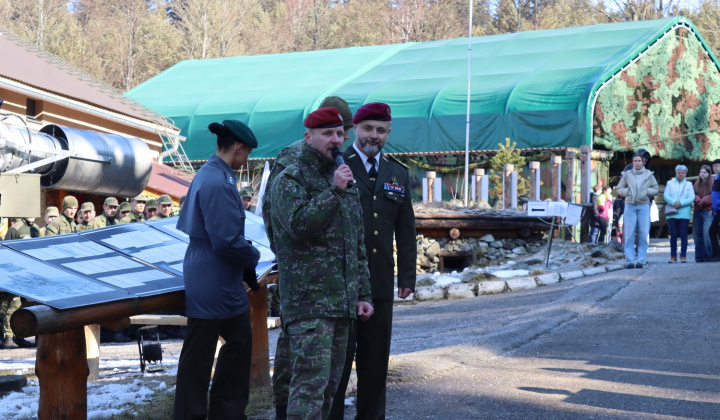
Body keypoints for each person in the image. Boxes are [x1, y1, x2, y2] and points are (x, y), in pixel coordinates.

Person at [270, 107, 373, 420]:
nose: (336, 140)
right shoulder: (290, 178)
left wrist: (363, 294)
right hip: (309, 305)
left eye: (340, 133)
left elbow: (356, 243)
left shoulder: (343, 179)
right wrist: (334, 192)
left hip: (341, 305)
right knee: (307, 391)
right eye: (328, 134)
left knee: (329, 390)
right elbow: (299, 225)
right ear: (308, 137)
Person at [331, 102, 417, 420]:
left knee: (375, 364)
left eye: (381, 130)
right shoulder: (338, 166)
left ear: (388, 133)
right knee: (338, 366)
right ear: (355, 130)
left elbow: (405, 231)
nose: (374, 136)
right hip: (343, 283)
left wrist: (407, 277)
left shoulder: (398, 173)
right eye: (368, 128)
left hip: (379, 282)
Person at [174, 120, 260, 420]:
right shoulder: (219, 182)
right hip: (214, 272)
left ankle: (225, 412)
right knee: (200, 353)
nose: (246, 159)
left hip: (212, 270)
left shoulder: (210, 172)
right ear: (238, 147)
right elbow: (225, 242)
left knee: (236, 341)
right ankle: (206, 414)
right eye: (247, 152)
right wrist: (254, 254)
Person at [616, 153, 659, 269]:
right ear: (632, 162)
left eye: (639, 160)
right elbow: (619, 188)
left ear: (643, 162)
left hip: (644, 206)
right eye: (635, 161)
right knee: (629, 234)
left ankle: (641, 259)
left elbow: (656, 189)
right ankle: (629, 260)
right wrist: (628, 192)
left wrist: (646, 192)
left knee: (643, 234)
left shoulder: (649, 175)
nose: (637, 163)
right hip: (630, 205)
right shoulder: (626, 174)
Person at [663, 165, 694, 263]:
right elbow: (666, 195)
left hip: (684, 213)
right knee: (673, 234)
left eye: (683, 173)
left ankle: (683, 255)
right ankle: (673, 256)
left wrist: (681, 203)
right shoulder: (669, 183)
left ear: (685, 174)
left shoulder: (689, 184)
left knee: (684, 234)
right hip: (672, 212)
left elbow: (692, 197)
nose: (681, 174)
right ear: (676, 173)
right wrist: (674, 202)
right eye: (679, 172)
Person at [694, 164, 714, 262]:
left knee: (706, 232)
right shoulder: (696, 184)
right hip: (697, 210)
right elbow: (693, 194)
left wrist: (703, 200)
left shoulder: (713, 182)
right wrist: (698, 199)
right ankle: (699, 257)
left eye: (705, 172)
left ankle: (708, 255)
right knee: (697, 234)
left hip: (708, 210)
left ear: (709, 173)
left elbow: (712, 195)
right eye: (701, 172)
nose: (702, 174)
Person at [709, 159, 720, 261]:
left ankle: (717, 255)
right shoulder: (716, 178)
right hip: (717, 211)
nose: (715, 168)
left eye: (717, 166)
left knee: (713, 232)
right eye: (714, 166)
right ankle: (716, 255)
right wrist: (713, 208)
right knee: (712, 231)